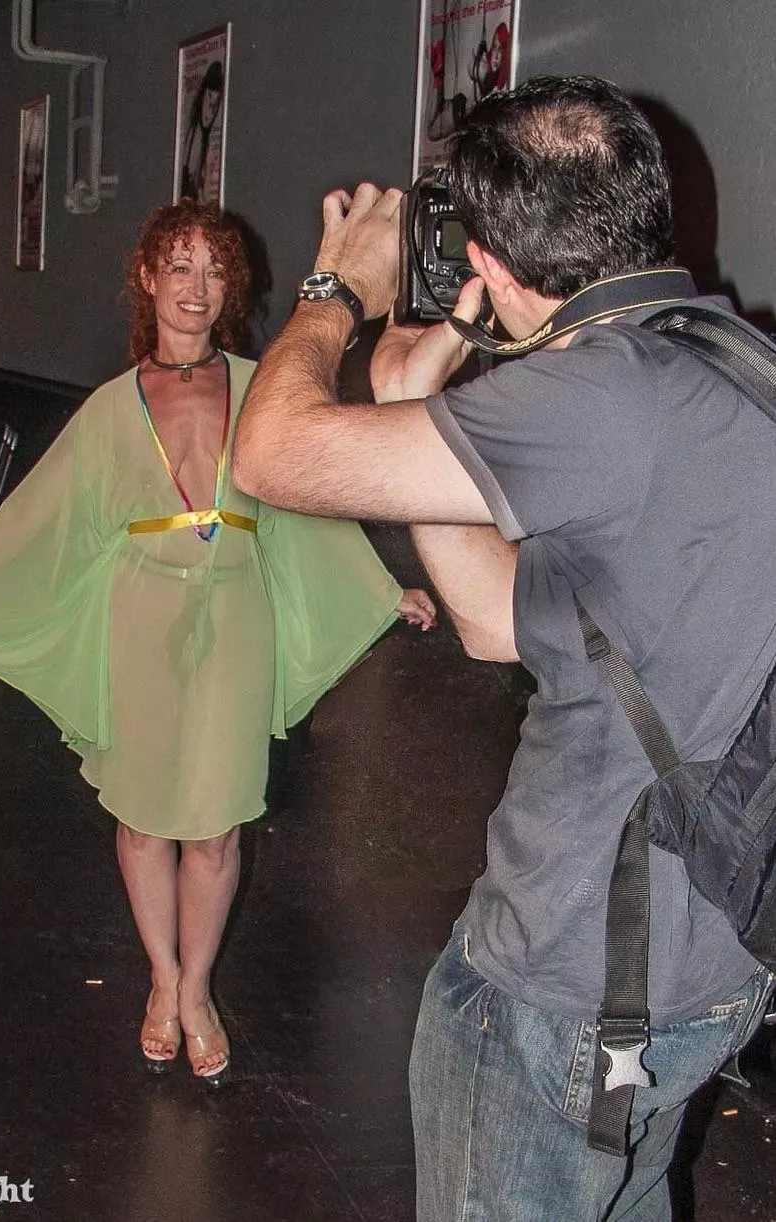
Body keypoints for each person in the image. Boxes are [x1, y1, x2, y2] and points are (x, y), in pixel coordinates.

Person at [231, 76, 776, 1219]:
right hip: (705, 974)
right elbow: (494, 620)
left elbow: (271, 453)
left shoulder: (596, 398)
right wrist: (400, 395)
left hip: (562, 985)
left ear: (494, 266)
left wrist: (337, 291)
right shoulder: (731, 358)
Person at [0, 199, 435, 1088]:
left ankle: (201, 988)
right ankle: (162, 979)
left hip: (236, 620)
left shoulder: (264, 388)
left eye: (214, 271)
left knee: (215, 827)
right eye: (179, 267)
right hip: (141, 618)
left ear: (232, 289)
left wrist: (383, 588)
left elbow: (303, 500)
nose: (197, 287)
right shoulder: (110, 408)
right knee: (141, 817)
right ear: (147, 278)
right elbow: (38, 517)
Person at [179, 60, 224, 204]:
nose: (210, 109)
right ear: (202, 96)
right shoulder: (192, 136)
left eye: (215, 105)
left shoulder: (211, 142)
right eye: (209, 98)